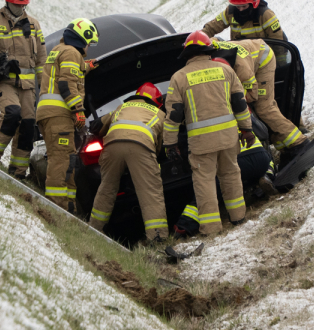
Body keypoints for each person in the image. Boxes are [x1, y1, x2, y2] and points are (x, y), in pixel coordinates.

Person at [162, 31, 254, 235]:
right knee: (231, 174)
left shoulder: (178, 78)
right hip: (229, 137)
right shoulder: (225, 71)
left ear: (187, 54)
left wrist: (170, 143)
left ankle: (211, 228)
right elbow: (240, 102)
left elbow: (174, 115)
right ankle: (239, 217)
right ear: (208, 50)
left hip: (201, 142)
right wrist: (247, 129)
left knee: (204, 181)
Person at [0, 0, 47, 179]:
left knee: (27, 125)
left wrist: (43, 87)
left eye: (23, 4)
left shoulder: (34, 25)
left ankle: (17, 171)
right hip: (4, 83)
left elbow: (41, 59)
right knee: (11, 113)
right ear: (7, 1)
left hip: (28, 87)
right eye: (17, 4)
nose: (20, 8)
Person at [88, 83, 168, 242]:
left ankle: (94, 230)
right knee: (150, 193)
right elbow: (160, 146)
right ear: (157, 101)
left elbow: (98, 127)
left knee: (106, 189)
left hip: (112, 146)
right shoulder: (160, 114)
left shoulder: (121, 108)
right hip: (141, 147)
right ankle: (157, 237)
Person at [36, 18, 99, 210]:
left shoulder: (59, 50)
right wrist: (78, 110)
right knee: (61, 161)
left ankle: (69, 207)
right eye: (89, 43)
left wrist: (86, 66)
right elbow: (66, 83)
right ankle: (55, 207)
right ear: (83, 39)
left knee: (68, 158)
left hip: (50, 115)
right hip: (59, 115)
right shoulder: (72, 53)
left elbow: (68, 75)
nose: (88, 48)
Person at [173, 136, 275, 237]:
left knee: (207, 189)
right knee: (267, 160)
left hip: (235, 159)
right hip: (259, 155)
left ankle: (184, 227)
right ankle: (267, 175)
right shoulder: (235, 121)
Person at [219, 38, 305, 152]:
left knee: (264, 107)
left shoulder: (240, 66)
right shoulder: (210, 52)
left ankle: (299, 143)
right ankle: (283, 147)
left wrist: (233, 94)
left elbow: (252, 94)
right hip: (251, 58)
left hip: (263, 60)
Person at [201, 0, 284, 41]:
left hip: (260, 61)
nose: (240, 10)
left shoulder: (266, 15)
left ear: (253, 3)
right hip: (238, 58)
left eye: (244, 6)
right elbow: (211, 27)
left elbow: (278, 42)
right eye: (238, 6)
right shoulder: (230, 12)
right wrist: (198, 38)